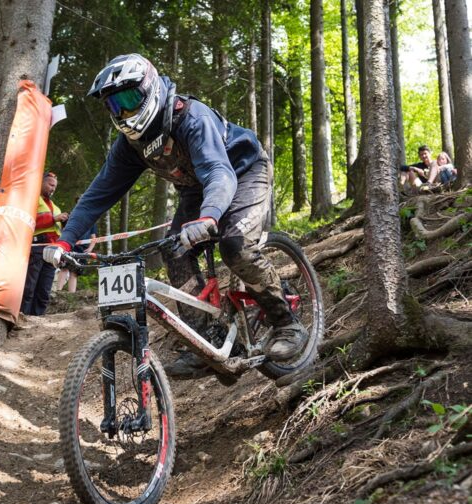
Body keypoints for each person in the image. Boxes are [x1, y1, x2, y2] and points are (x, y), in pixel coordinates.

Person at [43, 53, 308, 378]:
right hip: (198, 190)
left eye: (129, 99)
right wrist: (65, 242)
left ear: (150, 88)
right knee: (174, 252)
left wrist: (209, 216)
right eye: (115, 105)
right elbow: (98, 195)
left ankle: (286, 324)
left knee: (235, 245)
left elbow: (217, 171)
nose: (124, 112)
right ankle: (207, 340)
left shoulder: (190, 117)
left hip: (242, 172)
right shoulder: (130, 146)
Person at [21, 172, 68, 316]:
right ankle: (24, 315)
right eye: (50, 185)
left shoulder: (55, 207)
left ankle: (38, 318)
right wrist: (54, 219)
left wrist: (65, 222)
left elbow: (58, 230)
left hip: (53, 250)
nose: (53, 188)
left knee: (45, 288)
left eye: (55, 186)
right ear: (41, 183)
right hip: (37, 247)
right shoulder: (32, 200)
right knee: (30, 286)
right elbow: (29, 221)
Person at [54, 198, 98, 293]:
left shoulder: (92, 219)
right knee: (64, 268)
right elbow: (62, 229)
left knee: (75, 272)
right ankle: (58, 292)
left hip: (82, 250)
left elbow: (94, 237)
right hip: (69, 246)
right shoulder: (70, 216)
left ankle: (71, 294)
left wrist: (90, 249)